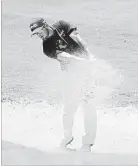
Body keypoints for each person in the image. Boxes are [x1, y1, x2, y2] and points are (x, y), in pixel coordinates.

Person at [30, 18, 98, 152]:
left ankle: (87, 144)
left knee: (89, 108)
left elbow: (78, 38)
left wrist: (89, 56)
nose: (39, 36)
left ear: (45, 26)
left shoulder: (62, 25)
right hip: (71, 75)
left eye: (39, 32)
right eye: (36, 34)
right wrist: (83, 61)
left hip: (87, 73)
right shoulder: (46, 47)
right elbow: (64, 56)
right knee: (68, 110)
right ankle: (67, 138)